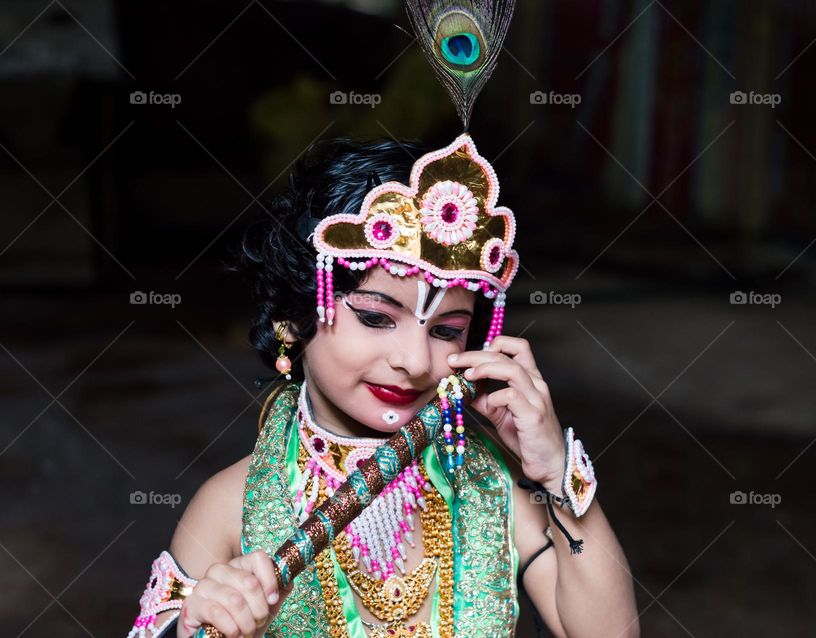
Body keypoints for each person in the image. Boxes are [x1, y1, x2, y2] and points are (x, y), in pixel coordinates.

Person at [123, 3, 639, 636]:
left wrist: (556, 471)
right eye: (376, 316)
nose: (416, 360)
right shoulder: (229, 509)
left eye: (448, 329)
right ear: (292, 318)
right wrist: (197, 623)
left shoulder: (489, 489)